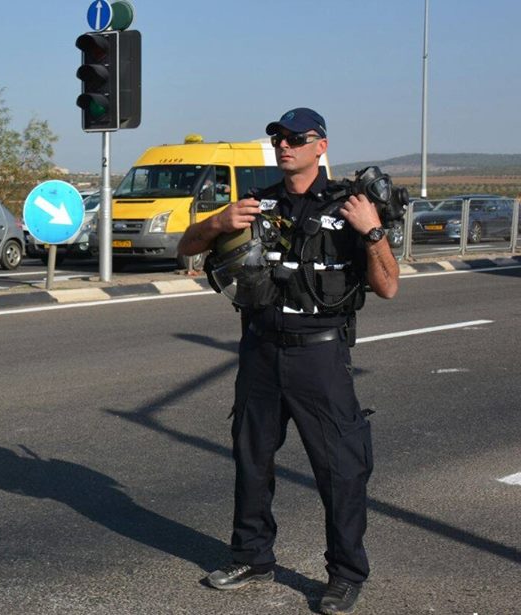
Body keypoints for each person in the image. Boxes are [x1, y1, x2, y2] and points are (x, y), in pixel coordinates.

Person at [178, 108, 399, 615]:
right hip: (259, 349)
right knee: (252, 459)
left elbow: (388, 285)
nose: (284, 145)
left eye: (296, 138)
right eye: (278, 137)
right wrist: (216, 222)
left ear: (320, 146)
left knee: (340, 469)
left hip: (318, 354)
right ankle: (252, 557)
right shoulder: (259, 203)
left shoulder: (351, 206)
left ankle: (345, 574)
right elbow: (184, 249)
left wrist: (371, 231)